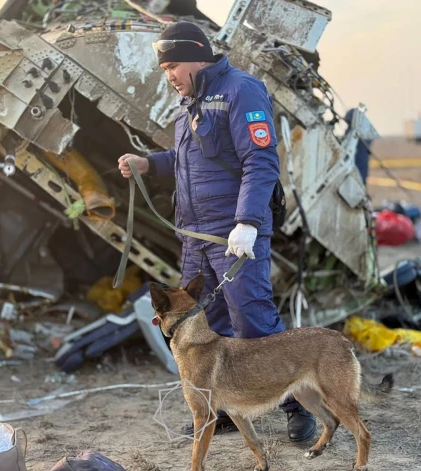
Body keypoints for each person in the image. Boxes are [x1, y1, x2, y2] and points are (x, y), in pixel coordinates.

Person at [118, 21, 316, 443]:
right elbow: (188, 159)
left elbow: (260, 160)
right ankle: (221, 410)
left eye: (172, 65)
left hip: (233, 234)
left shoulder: (241, 90)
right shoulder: (189, 102)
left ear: (196, 55)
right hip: (196, 237)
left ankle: (297, 407)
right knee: (209, 325)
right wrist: (149, 163)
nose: (168, 75)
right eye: (164, 68)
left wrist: (247, 222)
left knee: (254, 320)